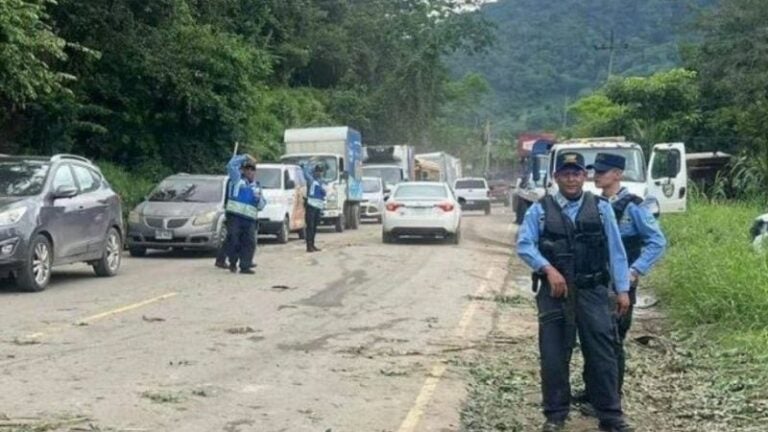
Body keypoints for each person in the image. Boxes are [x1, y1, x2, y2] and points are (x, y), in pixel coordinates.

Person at [517, 151, 633, 432]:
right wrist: (548, 269)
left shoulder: (602, 208)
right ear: (556, 177)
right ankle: (555, 416)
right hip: (555, 294)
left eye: (577, 172)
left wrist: (622, 290)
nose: (571, 178)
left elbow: (616, 253)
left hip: (593, 290)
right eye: (566, 173)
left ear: (584, 176)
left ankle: (610, 416)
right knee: (554, 354)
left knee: (602, 353)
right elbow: (524, 245)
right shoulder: (540, 209)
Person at [574, 152, 667, 413]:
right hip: (594, 283)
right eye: (596, 171)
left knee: (612, 340)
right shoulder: (591, 203)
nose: (597, 175)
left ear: (618, 174)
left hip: (620, 286)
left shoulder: (633, 206)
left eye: (603, 171)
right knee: (593, 338)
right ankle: (592, 391)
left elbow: (657, 242)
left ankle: (609, 399)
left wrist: (635, 271)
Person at [225, 154, 266, 274]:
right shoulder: (237, 180)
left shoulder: (257, 187)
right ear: (243, 170)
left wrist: (258, 200)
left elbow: (262, 205)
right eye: (247, 169)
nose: (249, 171)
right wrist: (245, 157)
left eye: (252, 169)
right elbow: (231, 165)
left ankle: (245, 266)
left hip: (249, 219)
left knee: (249, 242)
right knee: (233, 240)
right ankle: (232, 262)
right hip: (235, 217)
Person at [302, 162, 326, 253]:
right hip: (311, 207)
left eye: (320, 171)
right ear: (314, 172)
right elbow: (305, 173)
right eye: (317, 171)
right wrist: (307, 166)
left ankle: (312, 244)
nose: (319, 173)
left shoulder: (322, 182)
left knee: (315, 227)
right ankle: (309, 246)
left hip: (318, 207)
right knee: (310, 226)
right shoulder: (311, 180)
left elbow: (324, 194)